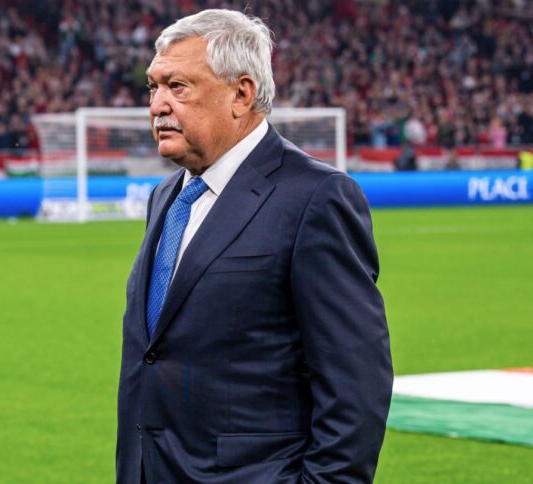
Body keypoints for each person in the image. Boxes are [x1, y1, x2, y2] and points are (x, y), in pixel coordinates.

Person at [116, 10, 393, 484]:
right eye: (153, 87)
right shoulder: (168, 197)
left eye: (178, 87)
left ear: (241, 94)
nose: (158, 104)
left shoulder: (315, 197)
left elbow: (356, 381)